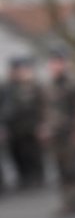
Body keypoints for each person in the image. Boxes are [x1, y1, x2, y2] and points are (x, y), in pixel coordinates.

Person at [41, 47, 75, 217]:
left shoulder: (72, 85)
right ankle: (66, 202)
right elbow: (44, 110)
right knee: (60, 169)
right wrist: (44, 128)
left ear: (64, 64)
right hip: (54, 135)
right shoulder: (47, 86)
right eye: (53, 62)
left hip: (69, 134)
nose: (55, 66)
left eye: (59, 62)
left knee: (71, 169)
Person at [3, 56, 45, 189]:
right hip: (14, 127)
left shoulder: (33, 85)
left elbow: (41, 106)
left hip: (30, 125)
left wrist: (41, 123)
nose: (17, 72)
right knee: (18, 154)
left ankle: (37, 177)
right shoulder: (7, 87)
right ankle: (24, 177)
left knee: (33, 153)